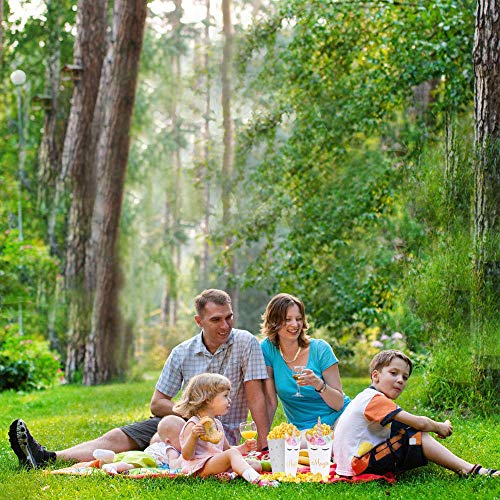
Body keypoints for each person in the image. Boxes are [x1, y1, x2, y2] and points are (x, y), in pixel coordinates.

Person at [9, 289, 270, 468]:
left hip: (220, 435)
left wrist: (263, 441)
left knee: (158, 441)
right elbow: (157, 403)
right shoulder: (182, 352)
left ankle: (145, 454)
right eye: (216, 320)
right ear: (199, 321)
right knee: (119, 436)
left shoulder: (246, 342)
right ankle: (48, 457)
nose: (225, 325)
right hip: (179, 422)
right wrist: (193, 413)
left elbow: (255, 396)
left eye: (229, 317)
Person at [333, 349, 500, 478]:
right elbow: (419, 423)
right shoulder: (374, 399)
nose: (400, 380)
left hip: (350, 463)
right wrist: (439, 427)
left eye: (405, 377)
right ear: (375, 376)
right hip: (357, 466)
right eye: (393, 373)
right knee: (415, 433)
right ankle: (468, 469)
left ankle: (450, 460)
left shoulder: (367, 397)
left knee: (403, 425)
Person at [260, 293, 350, 432]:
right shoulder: (267, 349)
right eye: (287, 319)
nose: (295, 325)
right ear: (274, 321)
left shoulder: (320, 349)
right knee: (282, 447)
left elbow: (339, 404)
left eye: (298, 319)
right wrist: (263, 439)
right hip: (303, 429)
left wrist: (318, 384)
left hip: (340, 418)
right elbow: (270, 401)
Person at [173, 372, 277, 487]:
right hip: (198, 468)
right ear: (208, 399)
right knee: (233, 455)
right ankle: (257, 480)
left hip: (215, 464)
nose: (230, 400)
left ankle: (230, 476)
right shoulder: (194, 424)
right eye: (225, 396)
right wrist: (193, 436)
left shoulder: (216, 423)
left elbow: (227, 449)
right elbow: (187, 456)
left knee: (254, 464)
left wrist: (244, 448)